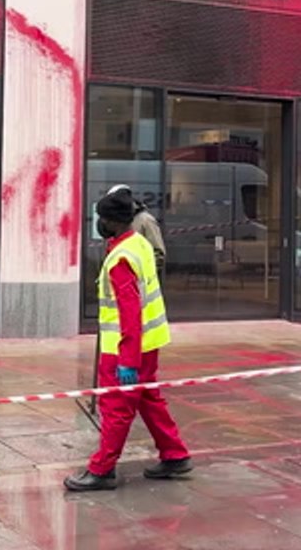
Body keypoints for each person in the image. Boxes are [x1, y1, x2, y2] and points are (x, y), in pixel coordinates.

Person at [65, 191, 191, 491]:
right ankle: (174, 454)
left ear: (111, 221)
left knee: (116, 408)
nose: (99, 223)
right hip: (149, 342)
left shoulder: (121, 259)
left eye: (102, 218)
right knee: (148, 398)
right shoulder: (139, 243)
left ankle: (102, 469)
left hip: (125, 348)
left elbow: (130, 313)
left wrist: (127, 361)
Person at [105, 184, 166, 276]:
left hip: (138, 279)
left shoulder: (146, 221)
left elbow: (158, 253)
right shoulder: (116, 223)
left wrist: (138, 273)